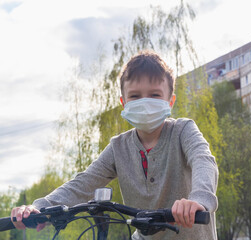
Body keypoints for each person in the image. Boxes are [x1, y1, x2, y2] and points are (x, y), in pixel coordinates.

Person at [11, 50, 219, 239]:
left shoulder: (183, 130)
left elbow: (203, 160)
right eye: (135, 96)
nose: (145, 102)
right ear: (123, 102)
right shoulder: (118, 147)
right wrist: (40, 207)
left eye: (155, 95)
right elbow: (83, 182)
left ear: (170, 101)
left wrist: (199, 200)